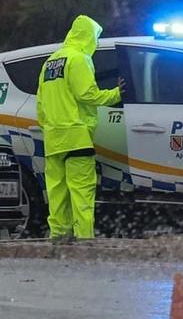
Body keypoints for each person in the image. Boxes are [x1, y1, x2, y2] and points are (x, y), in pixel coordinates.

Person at [34, 15, 123, 241]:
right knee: (82, 192)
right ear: (88, 36)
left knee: (57, 192)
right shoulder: (79, 59)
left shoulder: (51, 62)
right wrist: (116, 94)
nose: (96, 43)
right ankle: (84, 239)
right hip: (76, 137)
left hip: (53, 139)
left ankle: (58, 238)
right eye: (96, 38)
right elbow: (87, 94)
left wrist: (51, 127)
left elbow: (41, 105)